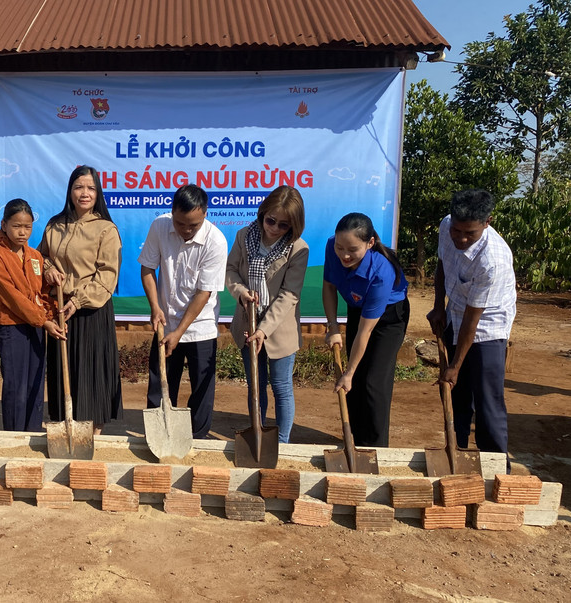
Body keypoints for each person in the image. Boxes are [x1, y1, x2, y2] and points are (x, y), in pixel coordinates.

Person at [427, 189, 516, 459]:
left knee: (487, 402)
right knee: (458, 396)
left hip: (487, 324)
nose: (461, 238)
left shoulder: (492, 261)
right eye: (457, 231)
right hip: (455, 310)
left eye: (470, 234)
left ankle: (497, 468)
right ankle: (459, 453)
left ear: (487, 222)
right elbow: (443, 262)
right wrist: (438, 305)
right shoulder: (446, 225)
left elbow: (473, 319)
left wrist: (454, 366)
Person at [139, 184, 228, 439]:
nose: (187, 230)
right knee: (160, 384)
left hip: (200, 326)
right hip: (164, 322)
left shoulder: (216, 241)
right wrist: (155, 307)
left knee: (202, 388)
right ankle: (157, 437)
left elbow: (204, 292)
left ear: (205, 215)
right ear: (172, 212)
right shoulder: (159, 227)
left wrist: (179, 332)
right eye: (181, 224)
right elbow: (147, 269)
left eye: (194, 225)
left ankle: (197, 439)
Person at [38, 166, 123, 433]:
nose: (84, 193)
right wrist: (48, 266)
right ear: (70, 191)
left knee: (91, 374)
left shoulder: (106, 229)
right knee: (65, 371)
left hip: (90, 310)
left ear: (98, 193)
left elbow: (107, 275)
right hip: (60, 308)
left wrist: (79, 301)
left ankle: (93, 433)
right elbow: (41, 256)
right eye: (79, 187)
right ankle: (66, 426)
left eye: (91, 188)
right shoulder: (55, 224)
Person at [225, 186, 309, 443]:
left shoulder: (298, 249)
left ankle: (281, 442)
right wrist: (240, 293)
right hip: (247, 324)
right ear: (262, 214)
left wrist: (264, 330)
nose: (273, 228)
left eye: (283, 225)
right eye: (270, 220)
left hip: (278, 330)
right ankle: (258, 436)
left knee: (281, 388)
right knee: (256, 386)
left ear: (293, 226)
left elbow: (289, 294)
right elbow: (230, 271)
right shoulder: (243, 236)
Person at [322, 212, 409, 447]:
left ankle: (376, 447)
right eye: (340, 247)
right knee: (356, 381)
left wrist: (348, 373)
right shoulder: (333, 247)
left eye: (352, 249)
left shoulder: (382, 272)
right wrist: (333, 327)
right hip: (357, 307)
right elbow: (329, 287)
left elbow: (365, 332)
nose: (344, 255)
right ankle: (355, 441)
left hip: (389, 317)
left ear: (370, 243)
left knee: (372, 381)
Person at [0, 199, 64, 432]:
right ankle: (14, 435)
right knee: (15, 384)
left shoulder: (35, 257)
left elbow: (41, 293)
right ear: (4, 225)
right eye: (16, 226)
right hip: (13, 326)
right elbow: (13, 298)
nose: (22, 232)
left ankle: (32, 431)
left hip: (38, 326)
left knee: (36, 382)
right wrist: (44, 320)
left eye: (27, 227)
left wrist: (53, 313)